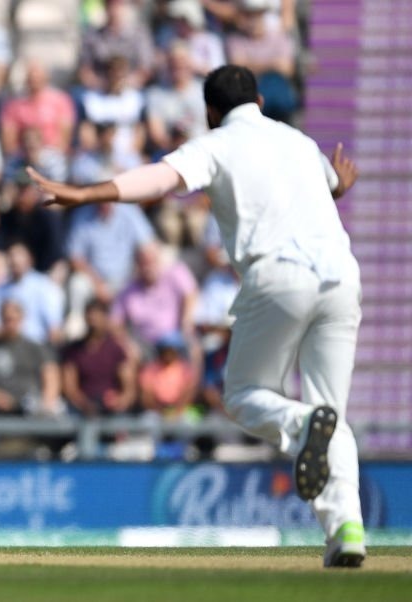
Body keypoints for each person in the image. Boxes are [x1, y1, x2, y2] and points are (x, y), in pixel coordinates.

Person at [27, 65, 364, 568]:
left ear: (210, 112)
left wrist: (86, 193)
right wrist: (337, 187)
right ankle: (346, 533)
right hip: (342, 277)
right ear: (260, 104)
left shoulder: (216, 144)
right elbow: (329, 181)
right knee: (331, 412)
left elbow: (159, 180)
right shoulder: (297, 141)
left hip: (279, 275)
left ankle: (299, 423)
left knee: (246, 396)